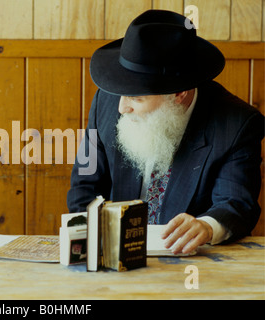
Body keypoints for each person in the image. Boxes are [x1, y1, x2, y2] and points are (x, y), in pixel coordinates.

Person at [67, 10, 264, 254]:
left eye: (136, 98)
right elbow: (84, 184)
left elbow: (235, 202)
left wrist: (206, 226)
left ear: (179, 94)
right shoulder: (106, 101)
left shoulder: (236, 125)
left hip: (189, 260)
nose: (122, 108)